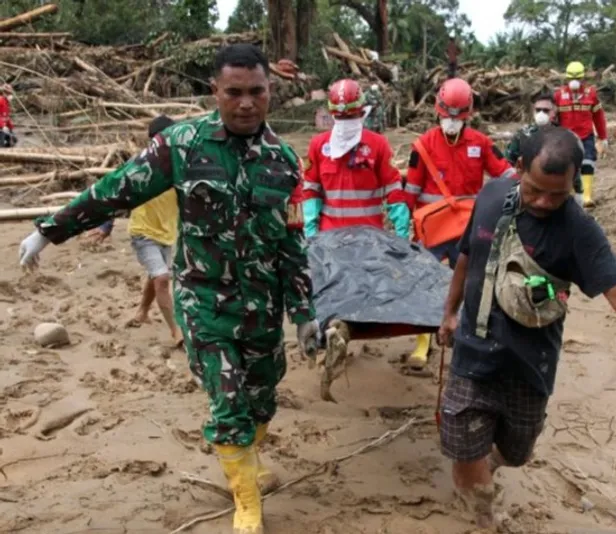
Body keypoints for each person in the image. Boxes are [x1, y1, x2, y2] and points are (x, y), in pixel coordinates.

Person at [18, 43, 319, 534]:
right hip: (205, 303)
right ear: (214, 92)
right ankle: (247, 503)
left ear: (271, 93)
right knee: (227, 403)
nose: (246, 103)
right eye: (234, 92)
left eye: (257, 92)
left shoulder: (284, 161)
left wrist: (304, 312)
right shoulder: (182, 145)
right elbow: (117, 188)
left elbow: (291, 244)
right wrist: (49, 229)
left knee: (263, 399)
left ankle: (247, 461)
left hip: (263, 306)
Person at [436, 126, 616, 528]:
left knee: (517, 453)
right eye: (535, 190)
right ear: (518, 168)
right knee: (465, 451)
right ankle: (483, 518)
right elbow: (466, 258)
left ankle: (493, 459)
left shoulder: (579, 230)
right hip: (472, 356)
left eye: (558, 194)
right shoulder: (492, 196)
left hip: (528, 366)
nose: (545, 202)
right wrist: (449, 312)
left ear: (573, 184)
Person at [404, 77, 515, 371]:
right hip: (432, 230)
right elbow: (409, 194)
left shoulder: (481, 143)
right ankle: (422, 343)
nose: (451, 122)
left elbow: (507, 175)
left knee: (471, 284)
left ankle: (466, 339)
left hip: (468, 228)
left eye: (457, 116)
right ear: (437, 110)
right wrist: (404, 230)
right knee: (424, 283)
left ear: (467, 114)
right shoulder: (423, 146)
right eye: (446, 115)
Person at [84, 115, 183, 347]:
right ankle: (175, 330)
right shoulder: (141, 169)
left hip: (166, 234)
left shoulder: (180, 169)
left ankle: (142, 312)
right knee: (161, 278)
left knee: (155, 275)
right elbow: (119, 196)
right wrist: (106, 226)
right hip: (142, 232)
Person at [302, 78, 409, 239]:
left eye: (350, 116)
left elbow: (394, 192)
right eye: (340, 117)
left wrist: (402, 235)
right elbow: (310, 192)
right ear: (332, 115)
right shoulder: (319, 146)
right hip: (330, 239)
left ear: (361, 112)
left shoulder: (378, 145)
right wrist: (310, 233)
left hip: (369, 240)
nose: (345, 122)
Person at [505, 91, 583, 204]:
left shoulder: (565, 137)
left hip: (556, 192)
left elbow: (574, 166)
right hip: (526, 191)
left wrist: (579, 191)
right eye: (538, 110)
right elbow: (508, 163)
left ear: (554, 112)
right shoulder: (522, 135)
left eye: (546, 110)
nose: (541, 113)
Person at [553, 61, 608, 208]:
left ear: (583, 78)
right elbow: (553, 118)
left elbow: (598, 116)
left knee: (588, 163)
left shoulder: (591, 94)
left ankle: (587, 196)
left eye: (577, 78)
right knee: (568, 166)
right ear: (567, 78)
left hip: (586, 136)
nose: (574, 82)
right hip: (566, 138)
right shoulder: (559, 96)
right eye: (571, 78)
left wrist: (603, 137)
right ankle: (569, 196)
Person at [0, 83, 17, 148]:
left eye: (10, 93)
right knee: (2, 143)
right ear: (4, 93)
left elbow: (6, 117)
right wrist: (2, 126)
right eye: (8, 93)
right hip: (1, 127)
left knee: (14, 140)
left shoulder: (6, 102)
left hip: (4, 127)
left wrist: (10, 126)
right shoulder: (1, 101)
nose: (10, 95)